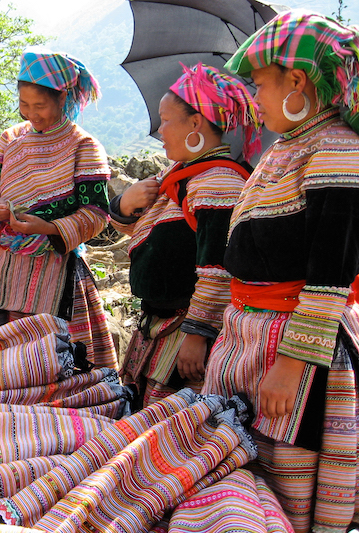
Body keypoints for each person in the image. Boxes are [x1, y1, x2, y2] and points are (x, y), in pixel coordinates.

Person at [200, 11, 359, 533]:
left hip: (297, 350)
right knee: (242, 469)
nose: (256, 98)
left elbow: (332, 273)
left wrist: (292, 364)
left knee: (284, 486)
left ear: (296, 81)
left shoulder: (336, 151)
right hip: (248, 337)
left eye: (260, 84)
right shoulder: (286, 149)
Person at [111, 63, 261, 408]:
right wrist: (125, 202)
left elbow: (218, 269)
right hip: (157, 328)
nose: (160, 129)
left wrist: (197, 333)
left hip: (185, 335)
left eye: (166, 120)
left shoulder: (219, 184)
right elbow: (145, 236)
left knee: (170, 432)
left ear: (195, 123)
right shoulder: (178, 178)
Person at [0, 46, 116, 369]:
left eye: (40, 105)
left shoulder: (83, 147)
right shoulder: (9, 140)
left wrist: (47, 228)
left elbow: (97, 213)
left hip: (53, 269)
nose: (31, 114)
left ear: (62, 98)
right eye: (24, 104)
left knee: (47, 366)